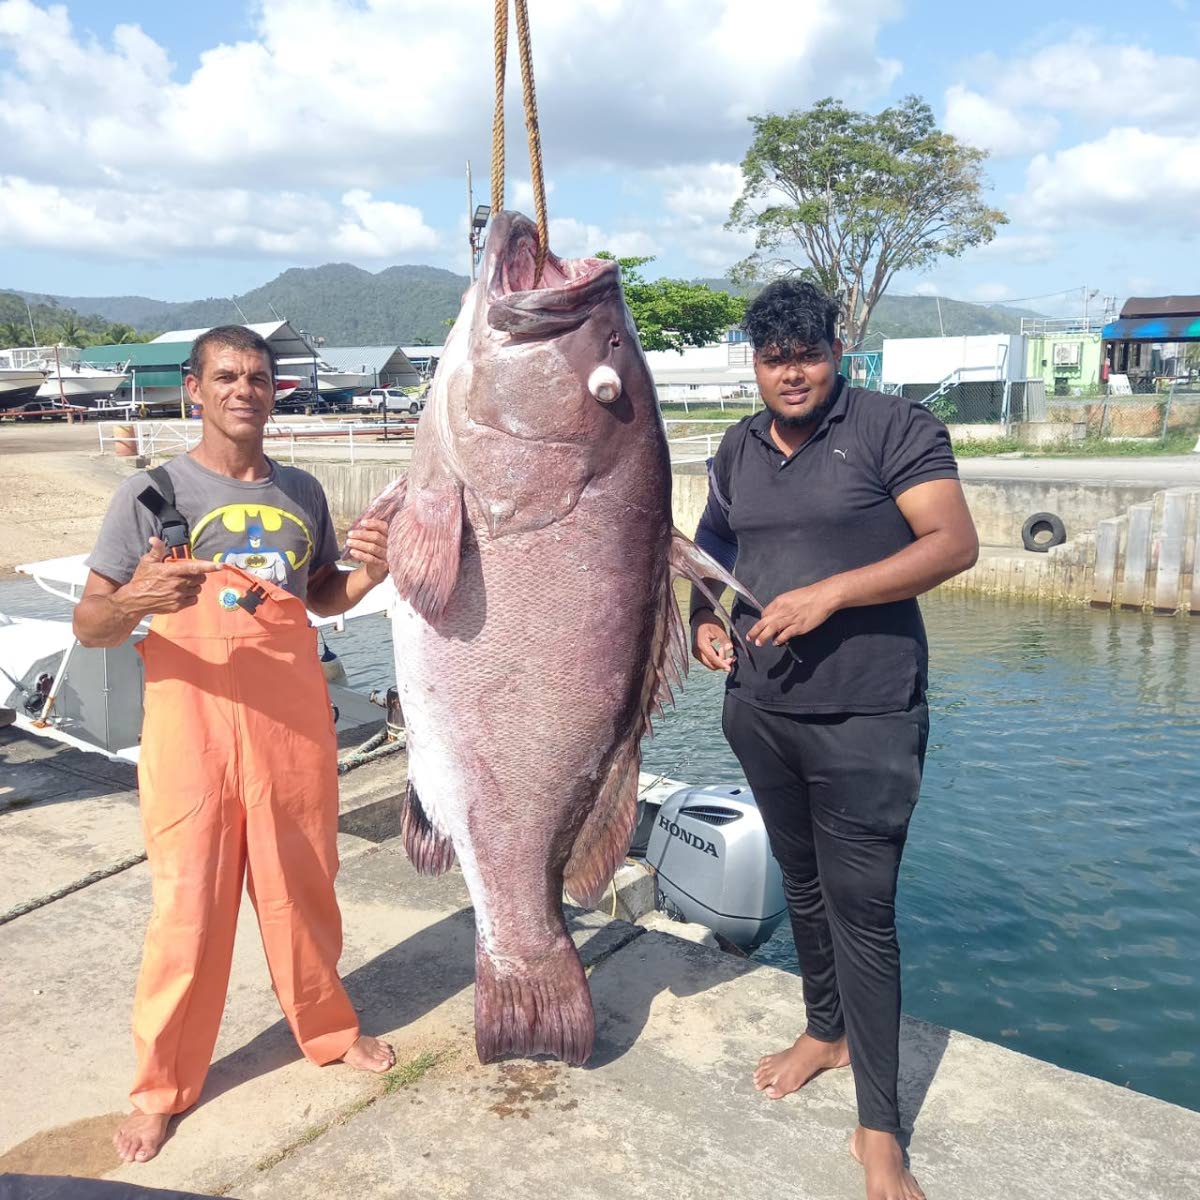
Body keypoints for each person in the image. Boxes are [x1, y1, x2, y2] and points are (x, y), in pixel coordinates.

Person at [73, 325, 397, 1164]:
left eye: (258, 375)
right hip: (191, 726)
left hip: (291, 720)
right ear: (195, 388)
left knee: (304, 890)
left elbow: (322, 597)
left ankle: (328, 1031)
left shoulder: (303, 493)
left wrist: (375, 569)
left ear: (274, 391)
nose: (243, 388)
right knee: (188, 911)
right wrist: (139, 595)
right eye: (226, 375)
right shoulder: (149, 495)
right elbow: (93, 623)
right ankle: (162, 1087)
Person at [689, 281, 978, 1200]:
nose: (792, 375)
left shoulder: (894, 427)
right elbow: (711, 547)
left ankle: (880, 1130)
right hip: (761, 710)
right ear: (755, 361)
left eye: (807, 356)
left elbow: (953, 542)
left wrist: (833, 593)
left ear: (836, 348)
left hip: (868, 716)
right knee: (802, 887)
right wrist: (703, 614)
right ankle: (825, 1030)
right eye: (774, 360)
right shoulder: (736, 446)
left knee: (865, 915)